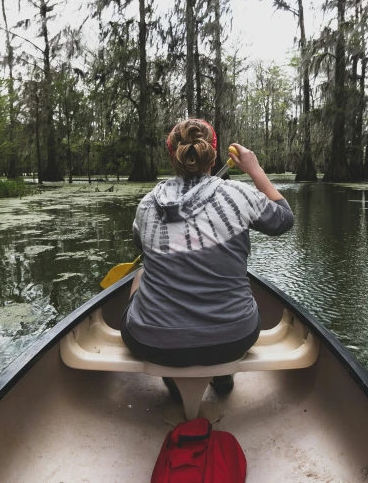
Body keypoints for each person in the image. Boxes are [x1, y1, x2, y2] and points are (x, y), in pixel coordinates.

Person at [120, 118, 294, 395]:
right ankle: (223, 376)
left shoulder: (147, 203)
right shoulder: (239, 194)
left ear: (172, 156)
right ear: (212, 154)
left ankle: (174, 381)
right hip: (234, 338)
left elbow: (140, 246)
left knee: (141, 273)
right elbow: (284, 219)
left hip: (151, 342)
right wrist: (255, 170)